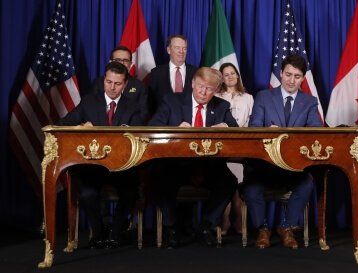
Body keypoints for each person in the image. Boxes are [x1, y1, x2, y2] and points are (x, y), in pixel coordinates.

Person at [58, 62, 145, 249]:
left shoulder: (134, 107)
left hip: (122, 167)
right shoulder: (90, 101)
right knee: (88, 193)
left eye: (117, 83)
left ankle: (115, 233)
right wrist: (80, 127)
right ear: (104, 80)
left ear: (125, 84)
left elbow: (138, 135)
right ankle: (98, 233)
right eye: (108, 82)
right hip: (93, 167)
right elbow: (63, 124)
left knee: (130, 191)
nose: (112, 87)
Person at [148, 67, 238, 248]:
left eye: (210, 89)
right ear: (192, 83)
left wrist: (225, 127)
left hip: (210, 167)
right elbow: (153, 127)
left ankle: (206, 227)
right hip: (177, 165)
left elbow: (235, 131)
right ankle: (171, 228)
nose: (204, 92)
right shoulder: (172, 101)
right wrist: (174, 129)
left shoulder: (221, 106)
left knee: (229, 181)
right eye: (200, 86)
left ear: (216, 90)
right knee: (159, 176)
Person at [243, 54, 322, 249]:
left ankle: (285, 227)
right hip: (265, 166)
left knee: (307, 184)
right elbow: (253, 129)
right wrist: (265, 132)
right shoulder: (263, 96)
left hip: (294, 167)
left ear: (303, 78)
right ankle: (263, 229)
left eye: (297, 76)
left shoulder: (310, 102)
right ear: (280, 74)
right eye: (288, 74)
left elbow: (315, 132)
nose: (291, 80)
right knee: (251, 189)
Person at [215, 63, 254, 235]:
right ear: (221, 78)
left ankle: (236, 218)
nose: (230, 76)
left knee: (237, 177)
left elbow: (252, 122)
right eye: (226, 74)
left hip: (241, 146)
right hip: (220, 147)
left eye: (233, 73)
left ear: (237, 76)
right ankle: (226, 219)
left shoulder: (248, 98)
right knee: (225, 177)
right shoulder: (216, 97)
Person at [91, 45, 149, 123]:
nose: (121, 63)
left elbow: (143, 115)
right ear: (110, 62)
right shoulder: (98, 83)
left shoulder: (140, 86)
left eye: (125, 60)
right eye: (117, 60)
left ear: (130, 64)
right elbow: (91, 109)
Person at [148, 34, 197, 114]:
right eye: (177, 48)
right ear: (169, 50)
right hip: (163, 122)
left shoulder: (196, 72)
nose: (181, 51)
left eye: (184, 48)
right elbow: (151, 102)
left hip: (189, 121)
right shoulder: (156, 73)